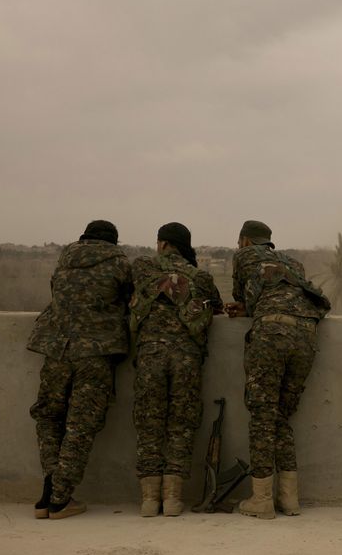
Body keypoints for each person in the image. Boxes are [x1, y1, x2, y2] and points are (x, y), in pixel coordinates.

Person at [27, 220, 133, 519]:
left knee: (49, 416)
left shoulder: (65, 259)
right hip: (95, 353)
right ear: (113, 241)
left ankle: (48, 489)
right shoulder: (120, 263)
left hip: (56, 350)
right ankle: (60, 498)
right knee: (81, 424)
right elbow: (128, 301)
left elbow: (55, 296)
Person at [225, 220, 330, 519]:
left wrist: (247, 308)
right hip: (306, 334)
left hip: (271, 332)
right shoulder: (293, 263)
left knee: (262, 416)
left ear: (245, 241)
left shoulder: (244, 257)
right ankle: (289, 499)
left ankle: (261, 500)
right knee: (282, 416)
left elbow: (241, 296)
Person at [129, 223, 222, 517]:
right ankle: (171, 499)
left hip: (149, 356)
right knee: (182, 423)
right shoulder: (201, 277)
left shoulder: (143, 268)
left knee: (149, 423)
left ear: (162, 244)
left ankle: (148, 500)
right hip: (186, 357)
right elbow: (216, 307)